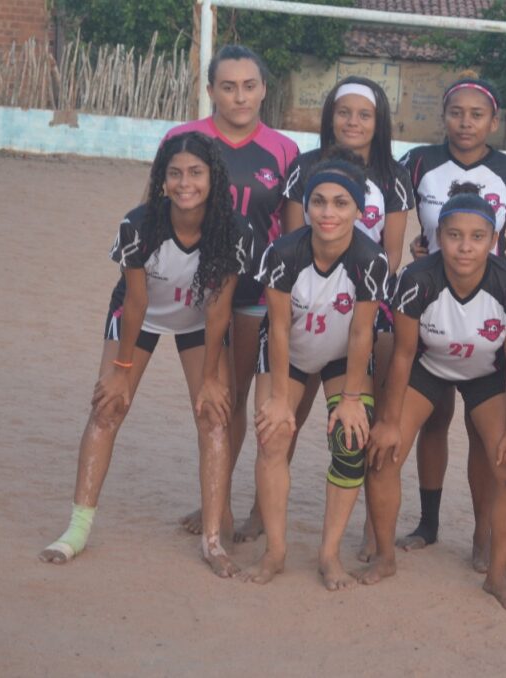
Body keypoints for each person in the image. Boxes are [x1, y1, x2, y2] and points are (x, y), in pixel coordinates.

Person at [39, 132, 254, 578]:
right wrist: (121, 370)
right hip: (140, 318)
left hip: (197, 320)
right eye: (174, 173)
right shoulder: (139, 225)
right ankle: (76, 530)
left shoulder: (234, 231)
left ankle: (213, 541)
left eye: (195, 173)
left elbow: (218, 310)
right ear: (162, 179)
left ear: (213, 178)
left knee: (214, 416)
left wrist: (211, 377)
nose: (184, 183)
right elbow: (136, 303)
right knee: (108, 407)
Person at [361, 183, 506, 611]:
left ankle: (495, 572)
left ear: (494, 240)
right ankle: (385, 557)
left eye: (477, 237)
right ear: (439, 236)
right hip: (428, 366)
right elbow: (403, 353)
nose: (465, 247)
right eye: (454, 235)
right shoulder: (417, 278)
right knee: (382, 454)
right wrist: (388, 420)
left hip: (486, 373)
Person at [396, 76, 506, 571]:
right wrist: (420, 247)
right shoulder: (418, 162)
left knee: (483, 435)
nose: (465, 123)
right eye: (456, 112)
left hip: (487, 307)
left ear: (493, 121)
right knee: (433, 420)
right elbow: (392, 212)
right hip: (431, 298)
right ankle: (428, 524)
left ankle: (483, 535)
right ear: (444, 115)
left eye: (476, 115)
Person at [164, 45, 299, 540]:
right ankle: (215, 505)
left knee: (235, 399)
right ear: (211, 91)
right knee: (208, 401)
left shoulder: (284, 151)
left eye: (248, 86)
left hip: (253, 295)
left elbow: (292, 236)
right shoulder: (183, 140)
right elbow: (156, 214)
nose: (239, 97)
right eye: (228, 86)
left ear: (263, 90)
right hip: (196, 291)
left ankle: (217, 505)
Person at [280, 77, 414, 557]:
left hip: (365, 301)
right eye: (344, 112)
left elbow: (392, 253)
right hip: (307, 299)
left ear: (379, 122)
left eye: (364, 114)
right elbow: (293, 240)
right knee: (287, 417)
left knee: (360, 421)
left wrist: (361, 292)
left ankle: (366, 529)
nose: (353, 122)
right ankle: (261, 510)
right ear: (329, 117)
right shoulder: (305, 167)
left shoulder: (394, 176)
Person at [250, 157, 389, 591]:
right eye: (319, 202)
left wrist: (351, 400)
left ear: (359, 211)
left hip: (340, 356)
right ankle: (275, 551)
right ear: (306, 206)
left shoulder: (371, 259)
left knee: (350, 441)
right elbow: (277, 327)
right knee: (273, 435)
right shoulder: (282, 253)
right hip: (288, 352)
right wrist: (278, 398)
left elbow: (362, 332)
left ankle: (329, 554)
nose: (328, 212)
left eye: (341, 203)